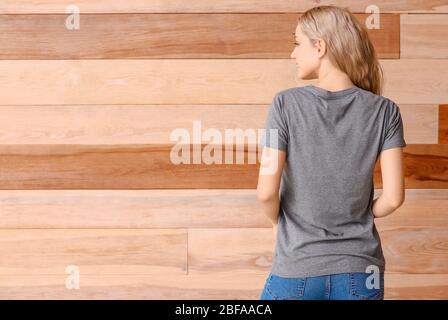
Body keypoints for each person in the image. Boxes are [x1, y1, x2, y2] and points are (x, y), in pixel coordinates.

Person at [257, 5, 406, 300]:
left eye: (297, 43)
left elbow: (265, 193)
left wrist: (280, 223)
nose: (293, 54)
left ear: (320, 46)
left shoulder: (284, 105)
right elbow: (393, 198)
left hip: (296, 267)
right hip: (363, 272)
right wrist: (360, 214)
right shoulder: (386, 111)